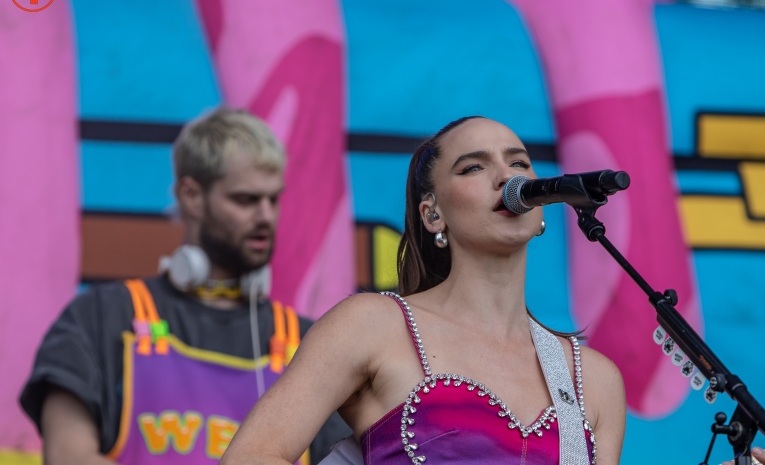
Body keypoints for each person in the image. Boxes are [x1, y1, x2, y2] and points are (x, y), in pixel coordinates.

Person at [220, 116, 627, 464]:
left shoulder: (591, 379)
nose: (508, 177)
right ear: (433, 214)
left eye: (519, 162)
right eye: (473, 168)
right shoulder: (372, 325)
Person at [19, 107, 350, 464]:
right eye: (245, 200)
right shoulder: (101, 317)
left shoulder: (309, 343)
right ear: (191, 195)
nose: (266, 216)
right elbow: (68, 457)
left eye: (273, 199)